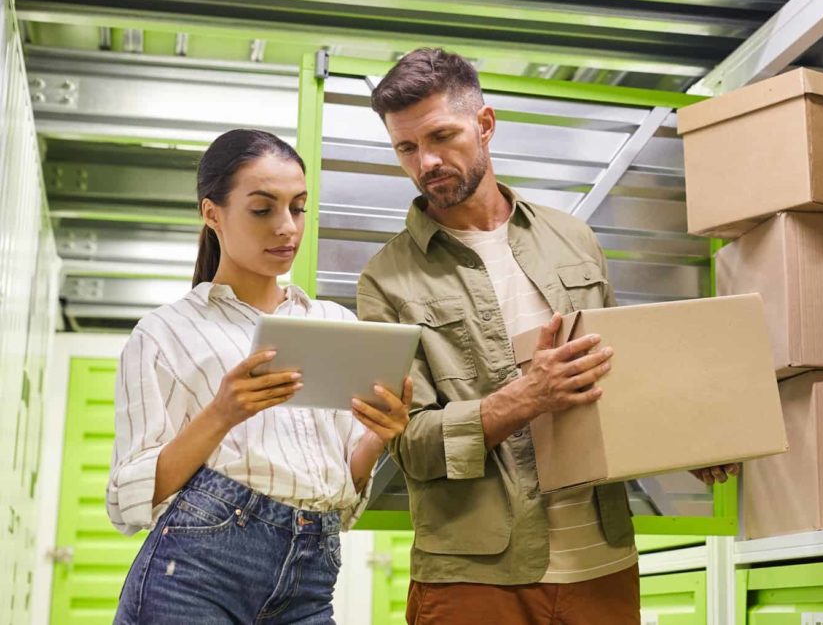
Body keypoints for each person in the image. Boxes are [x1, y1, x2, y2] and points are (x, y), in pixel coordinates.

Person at [356, 48, 739, 625]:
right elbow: (410, 445)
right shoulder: (385, 281)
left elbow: (616, 376)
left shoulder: (572, 238)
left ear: (485, 125)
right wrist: (526, 397)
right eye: (407, 148)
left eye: (442, 136)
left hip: (602, 562)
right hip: (474, 576)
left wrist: (685, 443)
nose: (426, 161)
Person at [108, 128, 412, 624]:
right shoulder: (165, 333)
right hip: (196, 572)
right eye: (262, 208)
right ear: (213, 214)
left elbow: (343, 493)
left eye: (298, 207)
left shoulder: (335, 325)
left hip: (312, 573)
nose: (287, 227)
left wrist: (377, 438)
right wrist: (223, 412)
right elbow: (128, 500)